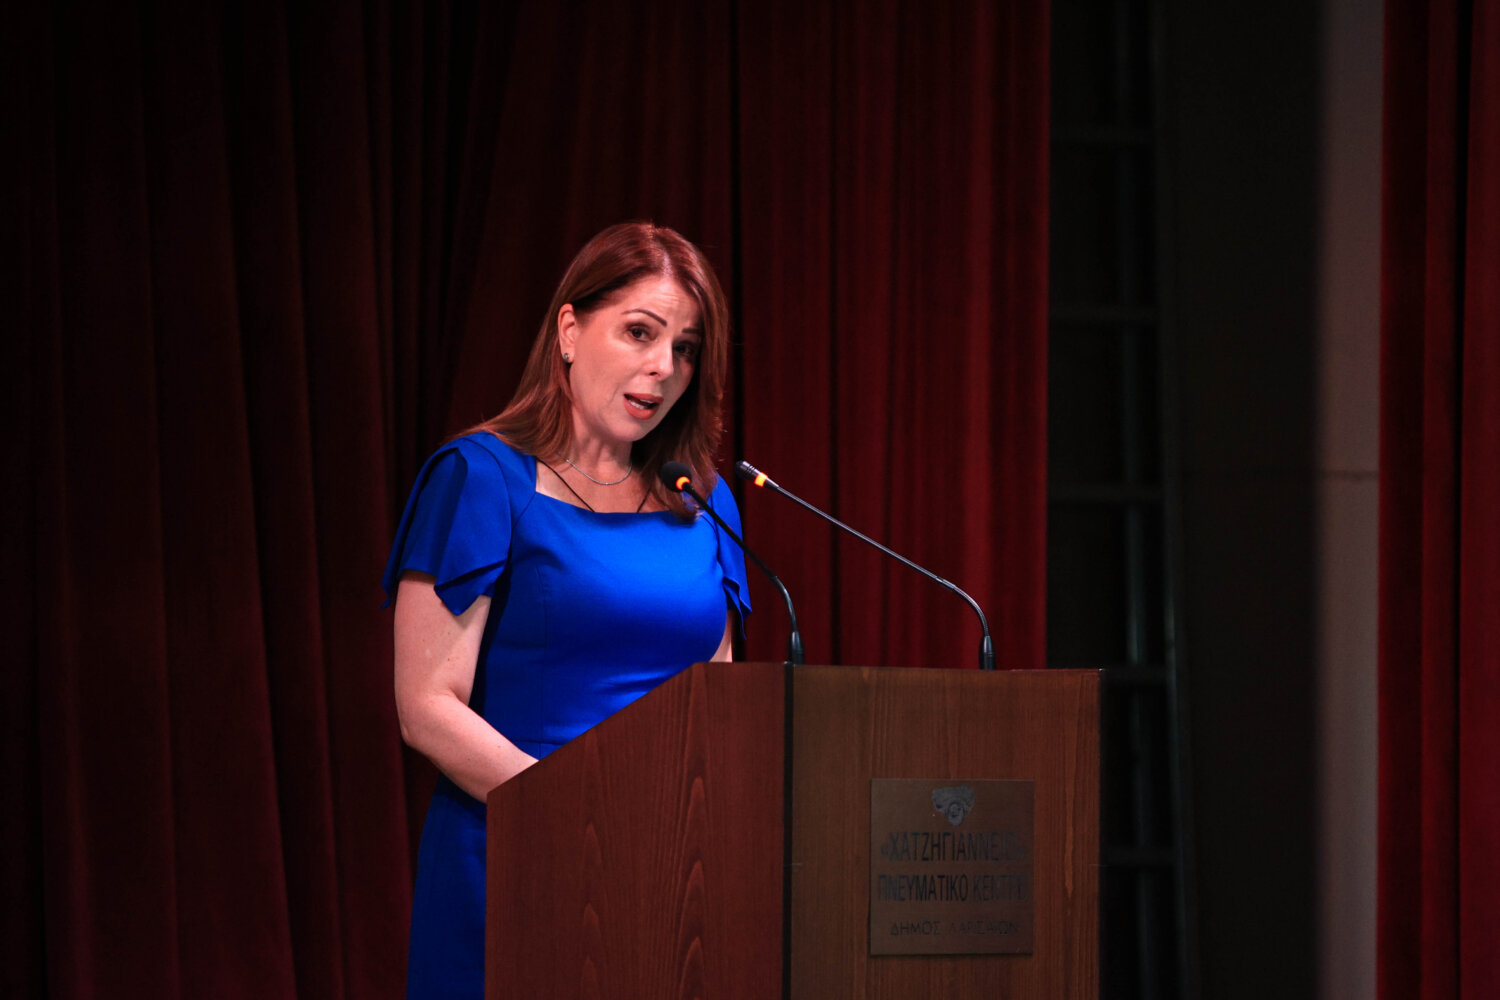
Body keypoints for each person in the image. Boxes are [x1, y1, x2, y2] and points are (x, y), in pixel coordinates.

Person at [381, 222, 751, 1000]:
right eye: (640, 332)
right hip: (517, 860)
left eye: (685, 348)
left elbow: (716, 697)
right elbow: (426, 707)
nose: (664, 367)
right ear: (570, 330)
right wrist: (585, 818)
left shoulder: (703, 498)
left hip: (670, 877)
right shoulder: (481, 477)